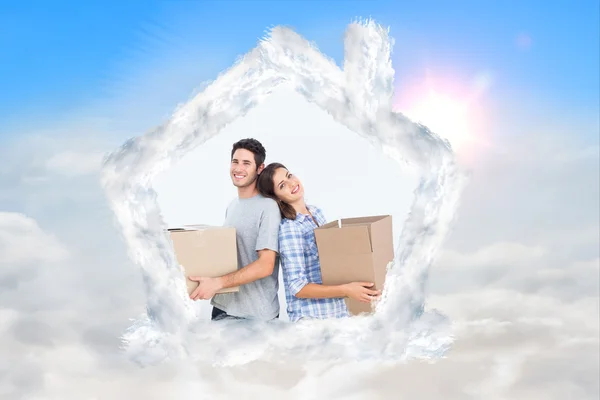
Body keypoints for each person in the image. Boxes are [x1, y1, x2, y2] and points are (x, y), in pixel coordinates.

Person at [257, 162, 381, 322]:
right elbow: (298, 287)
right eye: (282, 185)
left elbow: (330, 264)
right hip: (312, 319)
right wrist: (346, 290)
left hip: (336, 313)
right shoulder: (290, 228)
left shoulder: (316, 212)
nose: (291, 183)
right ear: (277, 198)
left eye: (289, 176)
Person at [188, 138, 282, 322]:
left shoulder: (268, 207)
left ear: (260, 168)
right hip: (222, 308)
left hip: (255, 316)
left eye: (246, 163)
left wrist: (217, 283)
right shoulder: (232, 206)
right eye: (235, 161)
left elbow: (266, 265)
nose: (238, 169)